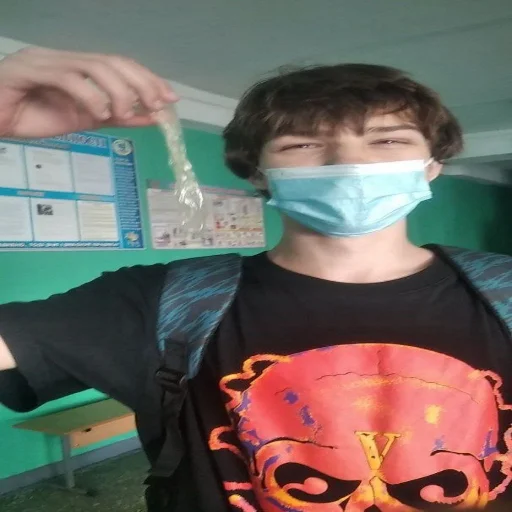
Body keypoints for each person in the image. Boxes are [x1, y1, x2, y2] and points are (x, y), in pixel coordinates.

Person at [0, 46, 511, 512]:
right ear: (257, 172)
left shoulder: (504, 290)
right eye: (302, 144)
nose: (349, 164)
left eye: (389, 140)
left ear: (431, 166)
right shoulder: (163, 303)